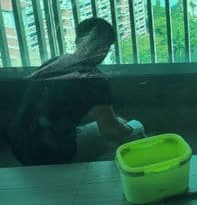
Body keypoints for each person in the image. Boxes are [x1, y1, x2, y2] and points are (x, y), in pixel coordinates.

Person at [8, 17, 144, 166]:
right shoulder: (95, 80)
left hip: (20, 146)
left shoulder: (54, 63)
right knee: (124, 133)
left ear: (77, 40)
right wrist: (132, 129)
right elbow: (110, 130)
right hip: (52, 154)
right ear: (106, 47)